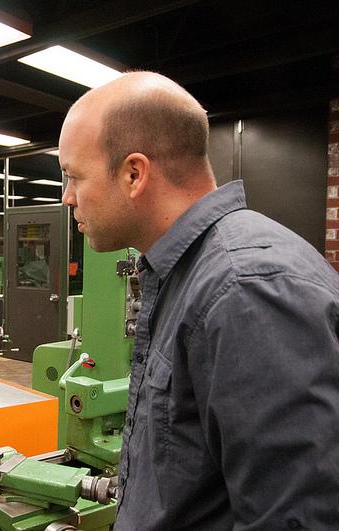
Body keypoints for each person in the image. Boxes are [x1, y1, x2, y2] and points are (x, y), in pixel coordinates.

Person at [58, 71, 339, 529]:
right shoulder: (184, 274)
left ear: (134, 173)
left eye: (73, 176)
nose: (68, 198)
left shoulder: (245, 289)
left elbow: (297, 518)